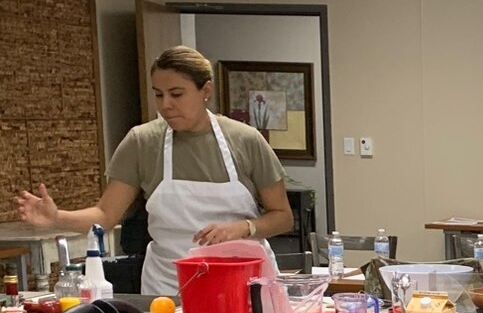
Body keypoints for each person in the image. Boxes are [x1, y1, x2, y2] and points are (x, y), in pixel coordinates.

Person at [16, 46, 294, 297]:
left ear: (205, 91)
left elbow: (282, 217)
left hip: (244, 286)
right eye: (158, 95)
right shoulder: (142, 142)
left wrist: (243, 228)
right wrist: (56, 218)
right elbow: (106, 216)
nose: (165, 105)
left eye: (176, 94)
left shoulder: (246, 140)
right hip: (169, 288)